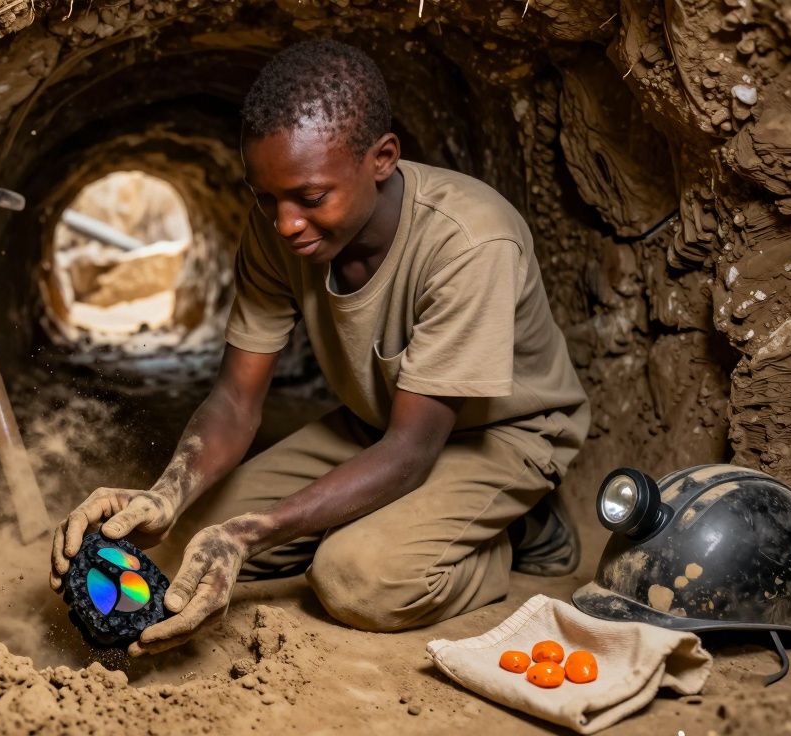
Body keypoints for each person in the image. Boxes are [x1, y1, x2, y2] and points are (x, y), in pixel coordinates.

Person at [49, 39, 590, 656]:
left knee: (357, 580)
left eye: (310, 198)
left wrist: (253, 534)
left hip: (498, 436)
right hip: (380, 425)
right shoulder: (279, 229)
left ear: (382, 158)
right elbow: (234, 400)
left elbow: (413, 451)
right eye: (265, 197)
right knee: (195, 536)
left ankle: (515, 533)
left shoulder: (468, 244)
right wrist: (166, 492)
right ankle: (389, 520)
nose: (284, 224)